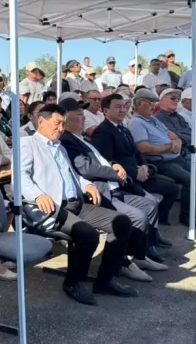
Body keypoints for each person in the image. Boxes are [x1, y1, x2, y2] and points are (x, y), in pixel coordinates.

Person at [21, 104, 138, 305]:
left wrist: (88, 185)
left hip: (76, 203)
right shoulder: (27, 144)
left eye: (64, 124)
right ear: (41, 121)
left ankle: (105, 280)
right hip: (52, 207)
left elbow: (71, 175)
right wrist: (38, 195)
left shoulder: (60, 146)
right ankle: (73, 282)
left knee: (121, 222)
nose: (61, 128)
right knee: (88, 235)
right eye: (57, 123)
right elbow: (20, 176)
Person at [59, 99, 169, 270]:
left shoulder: (82, 138)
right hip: (99, 192)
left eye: (83, 114)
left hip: (116, 186)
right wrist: (115, 172)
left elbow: (114, 157)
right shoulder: (68, 140)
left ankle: (140, 254)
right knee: (136, 216)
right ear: (65, 118)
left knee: (150, 204)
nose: (84, 118)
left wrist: (120, 166)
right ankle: (124, 263)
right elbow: (84, 167)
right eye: (80, 114)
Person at [127, 89, 196, 225]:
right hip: (161, 162)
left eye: (155, 102)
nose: (154, 106)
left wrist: (176, 141)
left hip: (176, 158)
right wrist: (169, 147)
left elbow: (172, 135)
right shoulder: (136, 123)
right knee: (191, 179)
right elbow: (144, 148)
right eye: (151, 102)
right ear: (140, 103)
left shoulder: (152, 119)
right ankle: (187, 216)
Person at [89, 94, 181, 227]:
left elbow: (137, 152)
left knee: (172, 189)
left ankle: (158, 224)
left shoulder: (124, 129)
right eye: (117, 107)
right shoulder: (103, 132)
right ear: (105, 111)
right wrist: (134, 173)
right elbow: (108, 161)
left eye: (124, 107)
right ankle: (149, 232)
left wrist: (144, 166)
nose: (122, 110)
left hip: (140, 174)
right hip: (125, 180)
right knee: (151, 201)